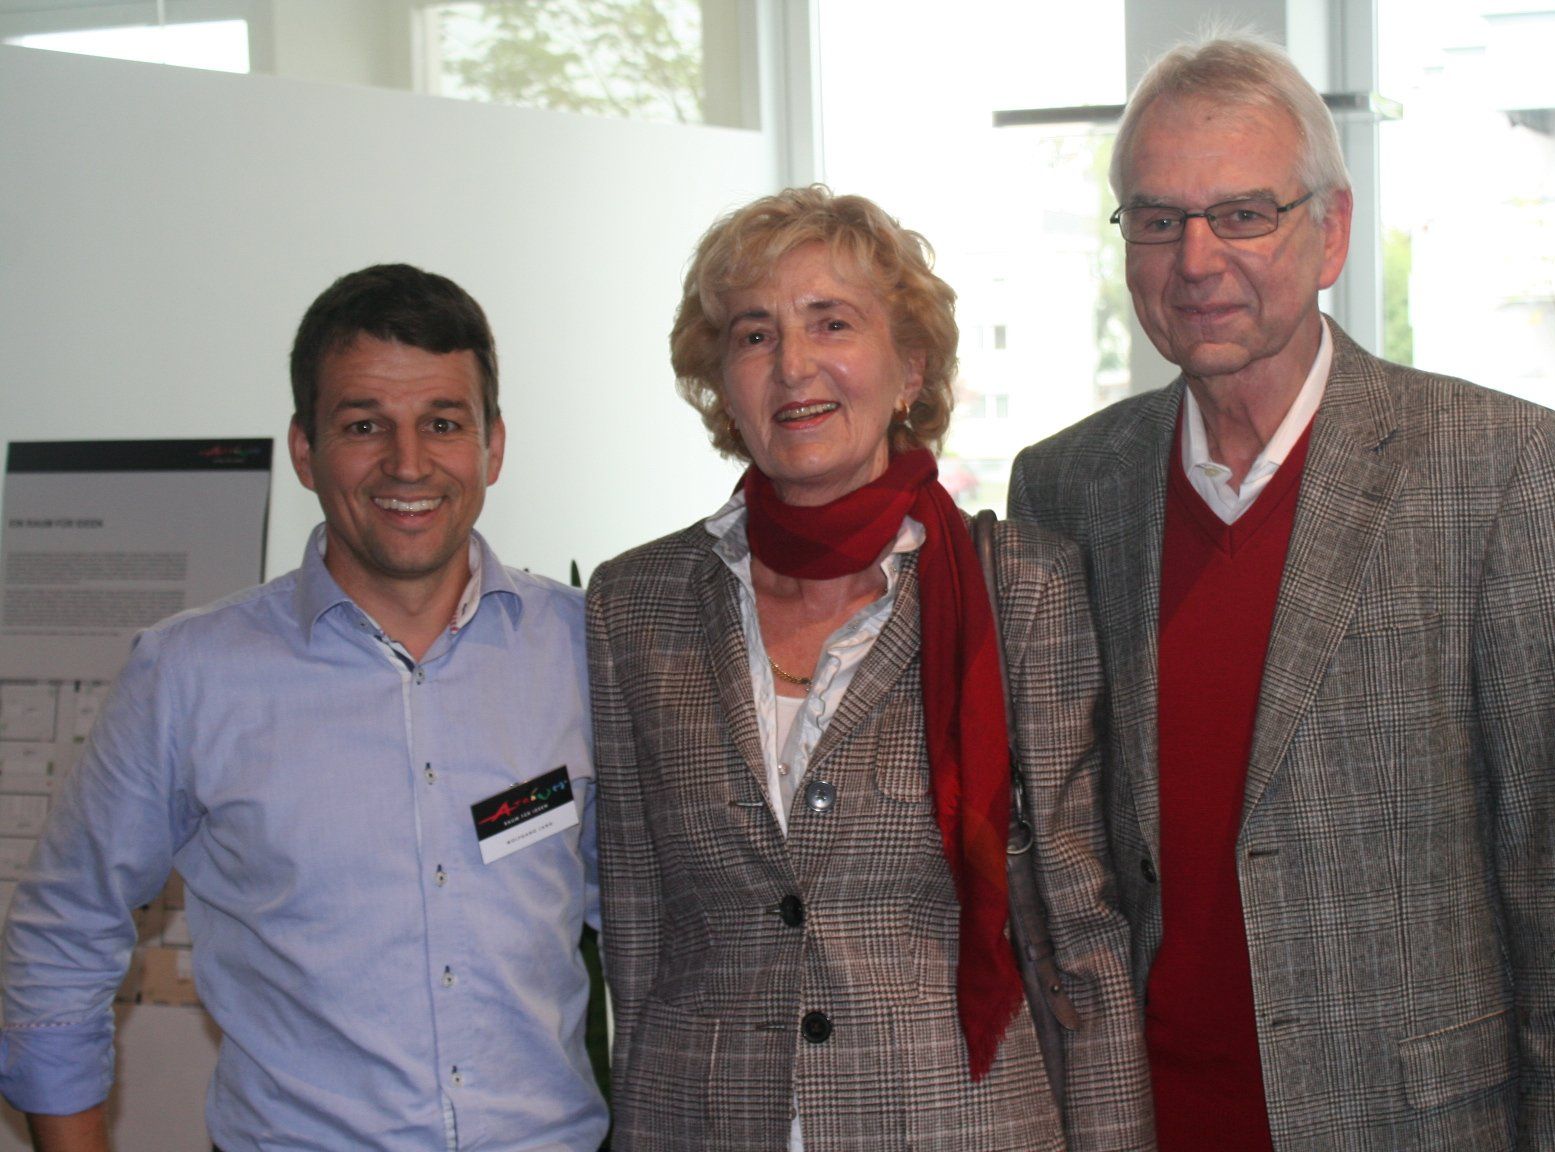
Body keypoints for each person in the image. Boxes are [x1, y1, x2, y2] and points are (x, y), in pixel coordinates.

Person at [1009, 33, 1555, 1151]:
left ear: (1332, 231)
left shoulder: (1501, 468)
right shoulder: (1066, 486)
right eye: (1158, 219)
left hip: (1409, 1120)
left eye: (1243, 214)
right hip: (1142, 1114)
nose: (1197, 260)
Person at [587, 186, 1151, 1151]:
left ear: (909, 368)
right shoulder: (634, 604)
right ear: (721, 381)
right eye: (754, 335)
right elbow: (638, 929)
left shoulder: (1022, 589)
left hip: (958, 1120)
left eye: (831, 323)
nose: (792, 365)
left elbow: (1080, 926)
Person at [0, 264, 607, 1151]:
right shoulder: (190, 675)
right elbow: (64, 934)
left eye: (443, 423)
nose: (408, 462)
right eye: (364, 425)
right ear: (305, 450)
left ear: (493, 447)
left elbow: (666, 928)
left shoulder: (586, 650)